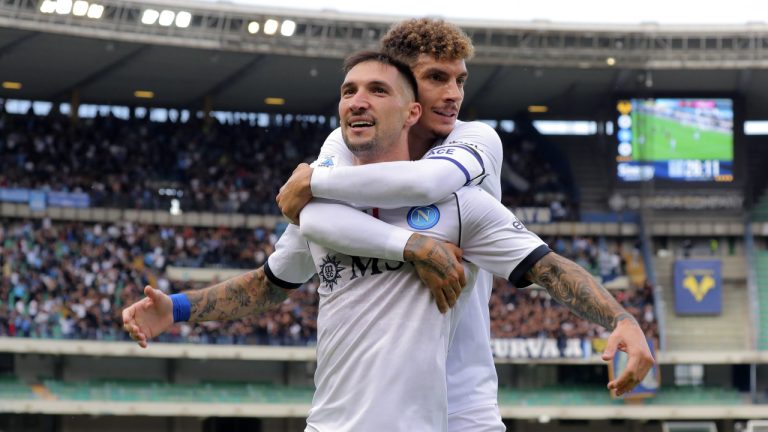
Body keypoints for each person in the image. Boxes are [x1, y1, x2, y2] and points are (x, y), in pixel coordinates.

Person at [271, 18, 652, 431]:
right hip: (371, 409)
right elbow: (313, 219)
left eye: (460, 81)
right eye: (437, 78)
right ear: (403, 87)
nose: (454, 95)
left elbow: (426, 184)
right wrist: (412, 247)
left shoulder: (474, 139)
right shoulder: (342, 144)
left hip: (466, 403)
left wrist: (622, 319)